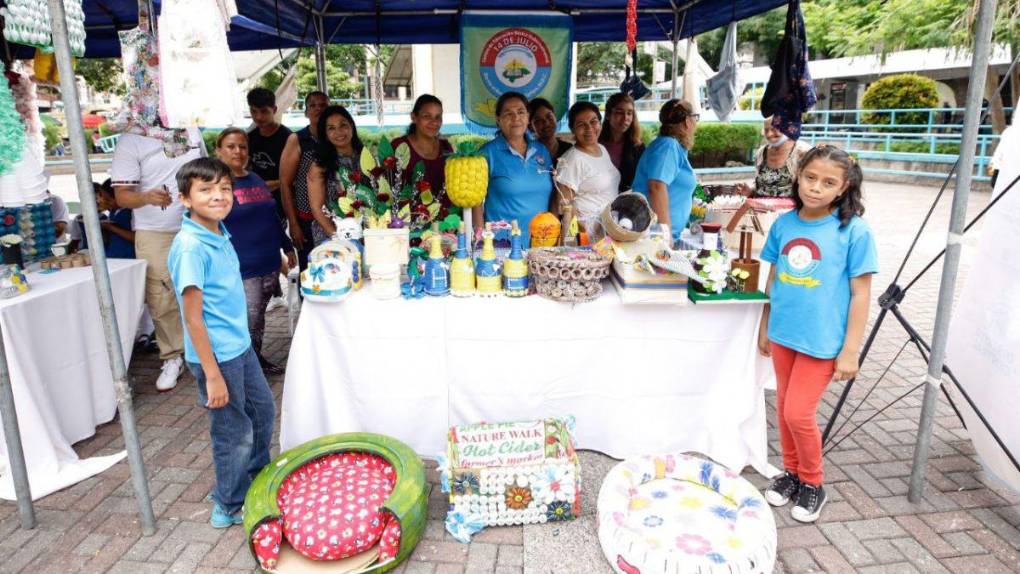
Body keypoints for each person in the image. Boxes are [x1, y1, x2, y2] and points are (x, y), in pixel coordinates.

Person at [757, 145, 877, 524]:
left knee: (798, 412)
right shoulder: (784, 224)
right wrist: (765, 326)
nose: (815, 188)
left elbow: (861, 293)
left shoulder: (854, 231)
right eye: (810, 178)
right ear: (798, 176)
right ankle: (791, 474)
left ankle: (813, 482)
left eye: (828, 183)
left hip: (822, 341)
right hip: (783, 334)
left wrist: (851, 350)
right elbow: (774, 278)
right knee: (783, 409)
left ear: (843, 188)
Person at [167, 157, 276, 529]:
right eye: (206, 189)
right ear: (185, 198)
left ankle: (256, 480)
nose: (218, 196)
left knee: (262, 412)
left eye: (224, 188)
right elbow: (193, 317)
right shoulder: (189, 247)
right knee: (233, 433)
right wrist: (212, 375)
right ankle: (228, 505)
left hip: (239, 346)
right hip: (216, 358)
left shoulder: (217, 232)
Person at [112, 128, 204, 391]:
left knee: (203, 288)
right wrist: (146, 196)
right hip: (155, 231)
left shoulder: (191, 129)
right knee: (162, 296)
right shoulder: (131, 140)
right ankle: (173, 356)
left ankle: (207, 347)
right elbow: (122, 196)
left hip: (198, 225)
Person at [215, 128, 296, 375]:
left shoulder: (255, 179)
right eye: (231, 146)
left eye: (242, 146)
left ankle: (255, 362)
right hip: (241, 267)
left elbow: (271, 216)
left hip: (268, 262)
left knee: (259, 318)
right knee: (246, 321)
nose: (238, 151)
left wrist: (286, 245)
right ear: (218, 151)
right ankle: (242, 370)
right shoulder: (216, 185)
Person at [475, 92, 554, 247]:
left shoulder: (541, 150)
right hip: (502, 244)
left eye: (520, 112)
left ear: (528, 117)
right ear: (498, 119)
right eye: (508, 114)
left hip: (542, 243)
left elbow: (553, 193)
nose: (516, 118)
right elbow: (476, 202)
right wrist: (479, 240)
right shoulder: (487, 153)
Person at [632, 99, 699, 245]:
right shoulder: (668, 146)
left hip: (659, 236)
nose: (695, 123)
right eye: (695, 117)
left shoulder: (673, 146)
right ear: (687, 120)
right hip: (654, 238)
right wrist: (665, 234)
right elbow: (656, 186)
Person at [279, 91, 330, 270]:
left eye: (323, 105)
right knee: (310, 271)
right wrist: (293, 224)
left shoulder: (335, 137)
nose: (318, 109)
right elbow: (284, 183)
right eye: (313, 105)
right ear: (306, 112)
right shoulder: (298, 139)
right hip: (306, 219)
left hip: (335, 217)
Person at [554, 101, 620, 233]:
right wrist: (578, 241)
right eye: (581, 124)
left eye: (593, 121)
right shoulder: (572, 159)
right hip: (588, 236)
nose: (589, 128)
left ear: (600, 124)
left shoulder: (601, 149)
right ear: (572, 129)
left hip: (609, 230)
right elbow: (565, 208)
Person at [308, 106, 364, 244]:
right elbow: (317, 208)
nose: (339, 132)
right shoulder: (319, 166)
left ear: (351, 126)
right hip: (332, 235)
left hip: (365, 232)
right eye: (331, 128)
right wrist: (338, 239)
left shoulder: (366, 158)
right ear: (325, 134)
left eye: (343, 125)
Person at [390, 94, 454, 207]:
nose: (434, 122)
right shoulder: (399, 146)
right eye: (427, 116)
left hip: (447, 220)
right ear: (414, 117)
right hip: (409, 221)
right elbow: (387, 187)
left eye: (438, 117)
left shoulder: (446, 147)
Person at [246, 87, 293, 219]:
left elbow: (296, 177)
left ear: (275, 110)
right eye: (254, 111)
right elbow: (245, 168)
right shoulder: (249, 138)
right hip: (255, 202)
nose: (258, 117)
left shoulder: (288, 138)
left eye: (264, 111)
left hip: (282, 204)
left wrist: (270, 185)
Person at [735, 117, 811, 198]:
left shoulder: (803, 152)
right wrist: (751, 192)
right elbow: (764, 187)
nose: (769, 134)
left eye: (775, 129)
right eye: (766, 130)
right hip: (760, 209)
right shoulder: (761, 153)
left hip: (791, 210)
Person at [70, 180, 135, 258]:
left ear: (120, 197)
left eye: (108, 200)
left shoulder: (130, 211)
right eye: (102, 198)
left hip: (127, 255)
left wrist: (110, 227)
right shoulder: (113, 211)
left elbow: (136, 237)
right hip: (112, 254)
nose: (102, 201)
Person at [599, 93, 644, 192]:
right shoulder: (595, 143)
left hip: (627, 201)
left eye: (629, 113)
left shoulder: (638, 147)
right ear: (607, 114)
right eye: (619, 112)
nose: (625, 118)